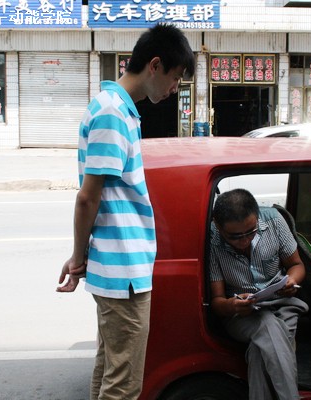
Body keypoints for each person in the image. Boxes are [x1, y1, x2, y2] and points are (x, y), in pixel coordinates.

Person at [56, 24, 195, 400]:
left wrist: (82, 255)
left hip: (119, 267)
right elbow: (88, 198)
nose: (174, 88)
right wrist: (77, 257)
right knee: (124, 384)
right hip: (123, 271)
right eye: (175, 77)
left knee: (110, 370)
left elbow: (100, 197)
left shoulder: (116, 109)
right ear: (155, 65)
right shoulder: (113, 113)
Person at [209, 189, 308, 400]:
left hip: (283, 303)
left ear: (257, 216)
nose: (244, 241)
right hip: (240, 316)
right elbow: (217, 302)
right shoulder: (212, 239)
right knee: (267, 324)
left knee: (259, 351)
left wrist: (291, 281)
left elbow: (297, 265)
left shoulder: (274, 221)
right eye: (235, 237)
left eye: (251, 232)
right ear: (218, 225)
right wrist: (233, 305)